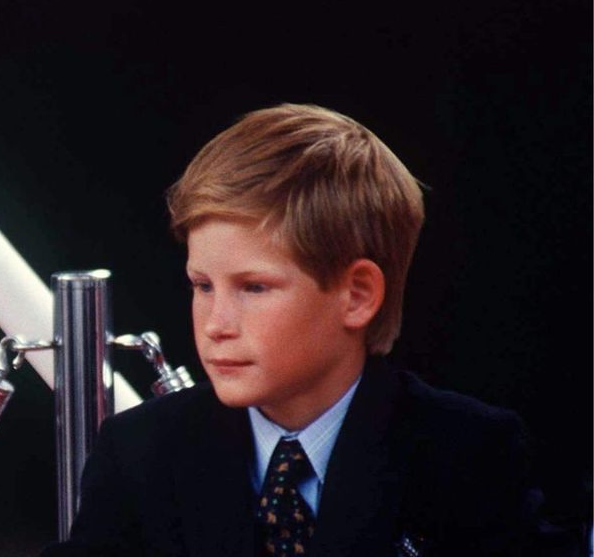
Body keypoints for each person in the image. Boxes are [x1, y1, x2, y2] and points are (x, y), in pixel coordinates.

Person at [43, 104, 570, 556]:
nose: (216, 325)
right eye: (202, 286)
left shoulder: (467, 455)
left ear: (358, 295)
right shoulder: (141, 452)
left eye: (254, 288)